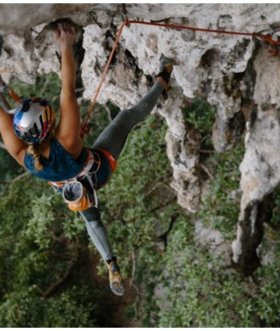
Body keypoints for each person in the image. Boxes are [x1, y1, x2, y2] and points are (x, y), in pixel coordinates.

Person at [0, 22, 172, 296]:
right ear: (48, 121)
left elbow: (4, 121)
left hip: (76, 189)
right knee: (126, 118)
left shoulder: (25, 157)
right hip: (97, 167)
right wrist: (66, 45)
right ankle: (163, 80)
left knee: (91, 219)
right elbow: (67, 90)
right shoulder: (66, 139)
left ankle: (111, 262)